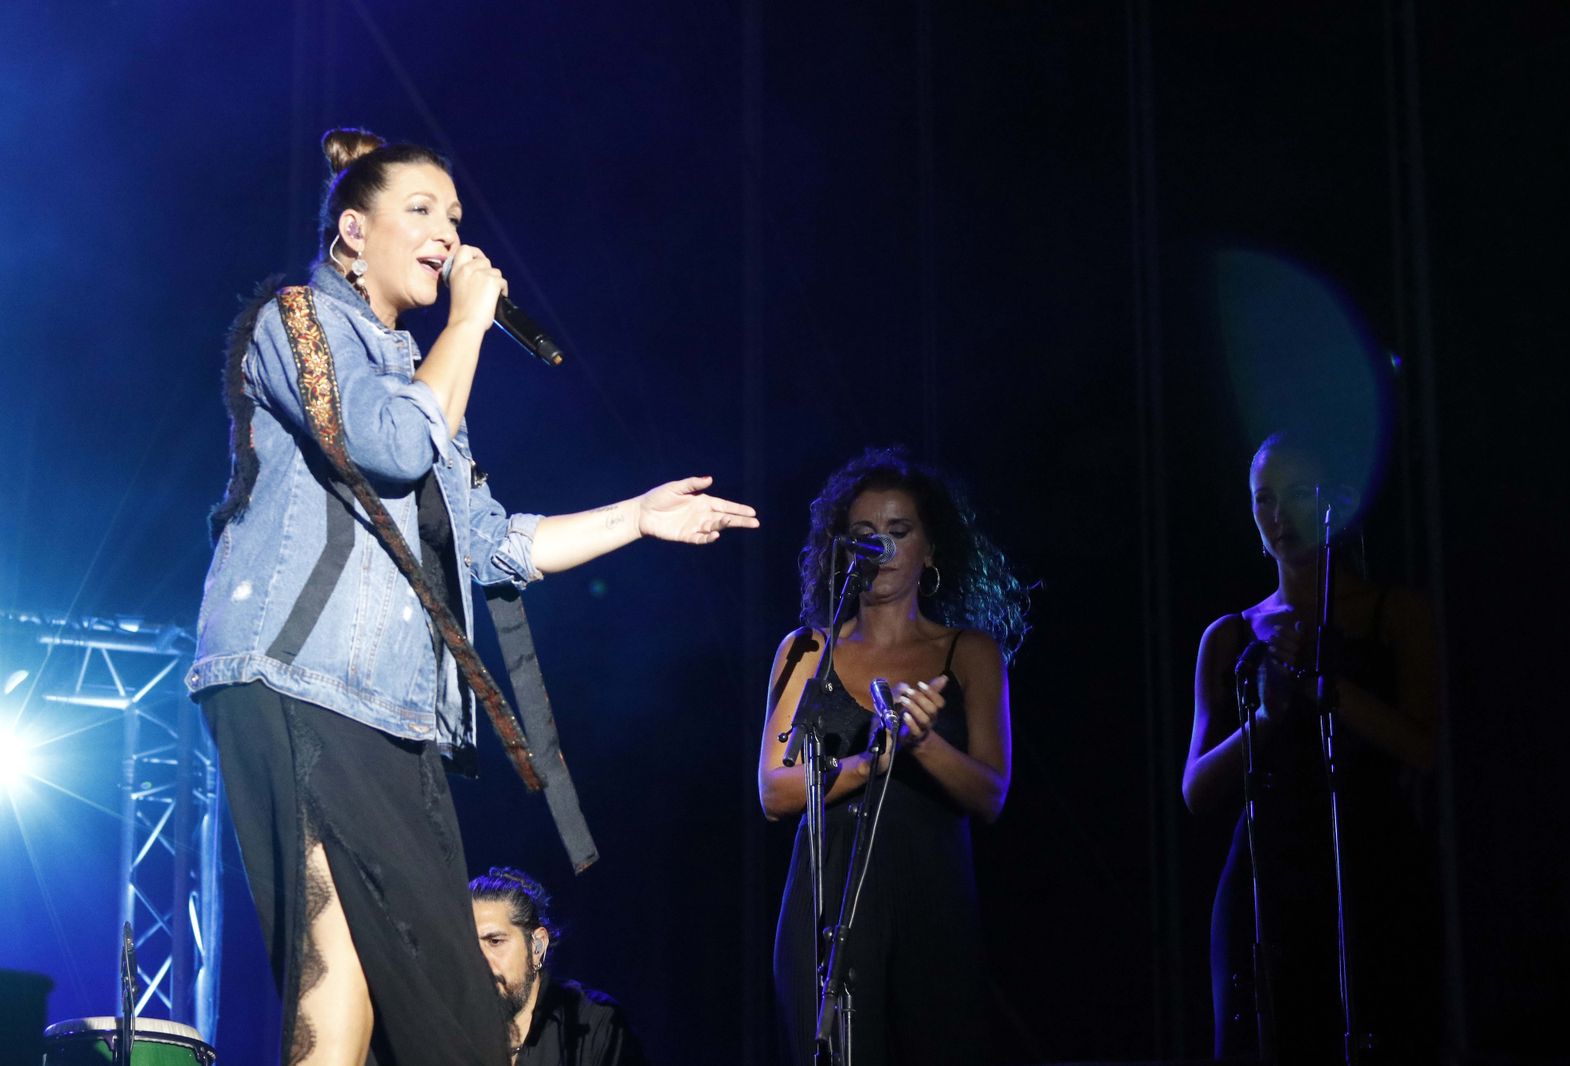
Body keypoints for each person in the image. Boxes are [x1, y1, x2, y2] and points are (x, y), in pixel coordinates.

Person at [188, 128, 757, 1066]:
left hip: (400, 714)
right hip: (301, 677)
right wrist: (462, 326)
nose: (449, 233)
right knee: (344, 965)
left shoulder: (424, 383)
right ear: (349, 236)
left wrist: (636, 517)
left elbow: (493, 544)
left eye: (455, 217)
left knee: (428, 991)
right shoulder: (298, 321)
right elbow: (389, 447)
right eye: (420, 211)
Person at [757, 447, 1028, 1066]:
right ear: (840, 549)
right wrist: (876, 757)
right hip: (824, 904)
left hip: (931, 902)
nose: (879, 546)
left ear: (930, 550)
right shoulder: (806, 650)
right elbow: (774, 791)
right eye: (864, 535)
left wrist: (922, 744)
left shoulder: (969, 653)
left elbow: (990, 795)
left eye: (898, 532)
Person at [1181, 432, 1440, 1064]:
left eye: (1298, 493)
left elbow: (1427, 748)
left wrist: (1332, 690)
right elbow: (1195, 790)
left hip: (1373, 867)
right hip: (1264, 879)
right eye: (1263, 498)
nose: (1278, 515)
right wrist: (1268, 715)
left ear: (1338, 502)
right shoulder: (1229, 635)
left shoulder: (1393, 613)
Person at [470, 867, 646, 1066]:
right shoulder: (454, 1026)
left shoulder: (596, 1021)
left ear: (537, 946)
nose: (481, 961)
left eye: (495, 941)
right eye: (472, 946)